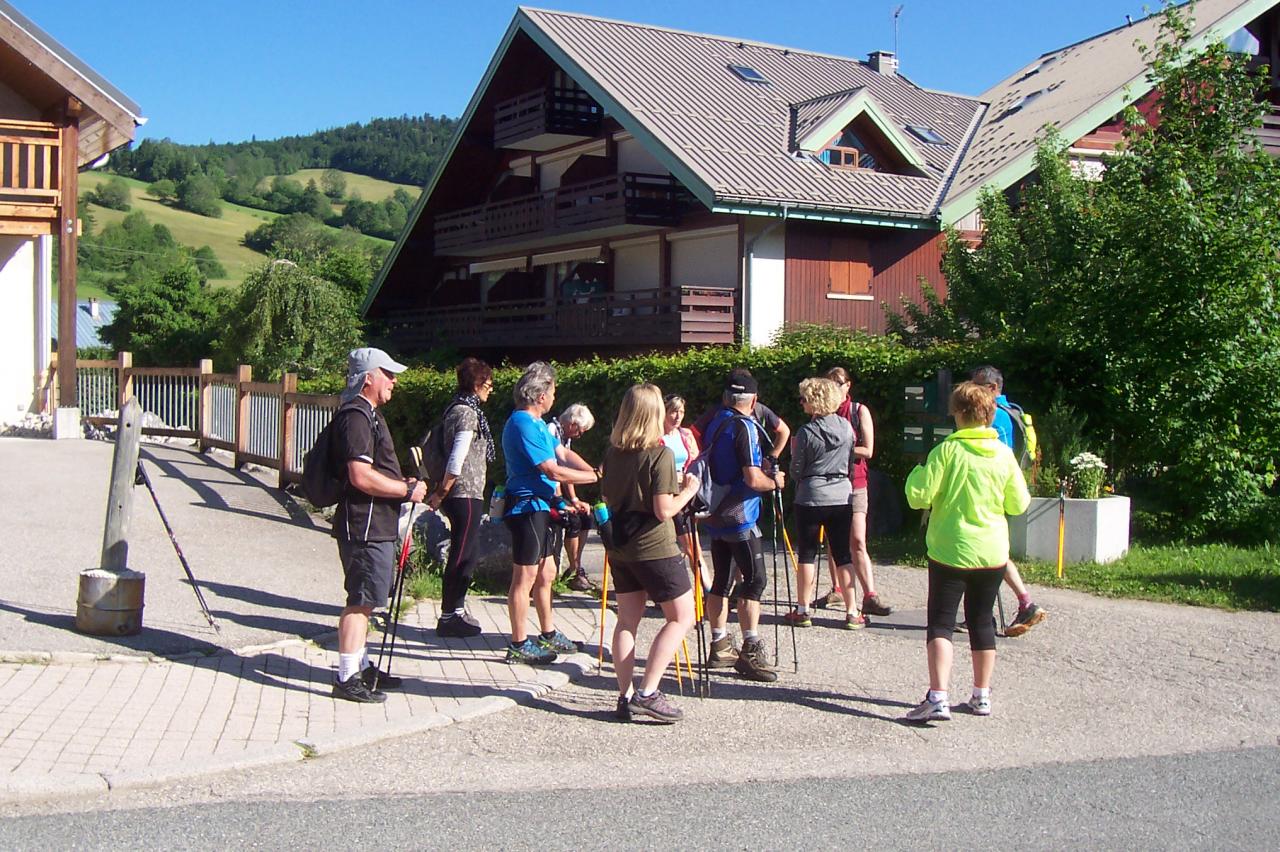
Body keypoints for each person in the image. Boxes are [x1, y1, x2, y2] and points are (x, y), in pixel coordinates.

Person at [903, 381, 1031, 721]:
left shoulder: (947, 450)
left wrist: (916, 473)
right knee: (981, 621)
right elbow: (1018, 504)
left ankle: (938, 696)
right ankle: (981, 695)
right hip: (991, 552)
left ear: (958, 413)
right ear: (989, 414)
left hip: (950, 548)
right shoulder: (1003, 454)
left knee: (941, 623)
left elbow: (919, 496)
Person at [330, 347, 425, 703]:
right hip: (364, 525)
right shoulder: (356, 416)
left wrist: (405, 486)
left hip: (375, 523)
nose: (394, 381)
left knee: (369, 599)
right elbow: (360, 476)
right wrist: (406, 490)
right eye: (388, 373)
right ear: (368, 377)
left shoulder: (369, 414)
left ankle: (361, 664)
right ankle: (347, 677)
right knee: (360, 600)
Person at [600, 384, 701, 723]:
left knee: (627, 619)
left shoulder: (612, 454)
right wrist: (688, 491)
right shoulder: (660, 456)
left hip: (621, 546)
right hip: (655, 546)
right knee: (682, 616)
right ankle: (649, 691)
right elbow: (663, 509)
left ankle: (625, 694)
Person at [501, 362, 600, 665]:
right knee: (525, 575)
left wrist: (594, 470)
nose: (555, 397)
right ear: (541, 394)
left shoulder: (541, 426)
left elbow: (563, 454)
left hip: (543, 506)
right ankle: (518, 643)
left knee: (547, 573)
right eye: (553, 391)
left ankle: (548, 632)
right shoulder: (522, 423)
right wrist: (592, 478)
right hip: (526, 505)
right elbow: (550, 469)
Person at [701, 369, 786, 682]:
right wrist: (774, 482)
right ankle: (750, 650)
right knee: (755, 580)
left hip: (714, 511)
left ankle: (719, 643)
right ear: (754, 400)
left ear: (727, 396)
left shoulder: (715, 421)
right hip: (740, 513)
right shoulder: (745, 427)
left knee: (722, 579)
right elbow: (752, 478)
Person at [970, 365, 1048, 637]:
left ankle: (992, 613)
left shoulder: (995, 416)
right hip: (1002, 491)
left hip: (990, 493)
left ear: (993, 388)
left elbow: (989, 457)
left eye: (978, 385)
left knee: (988, 556)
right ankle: (1018, 605)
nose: (973, 389)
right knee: (992, 554)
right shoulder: (1009, 410)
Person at [784, 377, 863, 630]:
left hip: (811, 494)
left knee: (807, 553)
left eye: (805, 398)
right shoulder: (847, 429)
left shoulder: (807, 432)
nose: (802, 402)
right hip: (841, 494)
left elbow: (796, 468)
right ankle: (852, 612)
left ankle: (803, 609)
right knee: (842, 553)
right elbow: (850, 463)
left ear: (815, 401)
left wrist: (800, 477)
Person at [425, 357, 494, 639]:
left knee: (467, 551)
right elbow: (458, 455)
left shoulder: (456, 408)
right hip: (463, 491)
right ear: (476, 384)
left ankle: (456, 609)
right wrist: (442, 491)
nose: (490, 389)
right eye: (488, 384)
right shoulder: (466, 413)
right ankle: (449, 615)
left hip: (467, 492)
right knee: (462, 552)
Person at [817, 367, 892, 620]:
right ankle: (837, 588)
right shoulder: (821, 412)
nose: (835, 387)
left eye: (839, 382)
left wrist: (839, 447)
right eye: (830, 383)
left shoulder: (859, 411)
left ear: (848, 385)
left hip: (855, 482)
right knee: (832, 539)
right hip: (829, 483)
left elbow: (868, 450)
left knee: (857, 539)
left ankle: (870, 595)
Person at [691, 368, 791, 464]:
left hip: (748, 467)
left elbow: (784, 431)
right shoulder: (717, 411)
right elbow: (693, 432)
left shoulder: (759, 409)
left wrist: (771, 458)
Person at [548, 403, 596, 592]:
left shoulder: (564, 436)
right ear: (572, 423)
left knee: (586, 516)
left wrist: (575, 499)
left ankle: (576, 564)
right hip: (548, 492)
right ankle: (575, 569)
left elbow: (567, 471)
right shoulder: (551, 431)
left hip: (557, 489)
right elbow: (554, 471)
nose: (580, 435)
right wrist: (561, 502)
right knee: (572, 520)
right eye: (580, 430)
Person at [661, 393, 702, 582]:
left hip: (685, 493)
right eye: (673, 412)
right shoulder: (655, 436)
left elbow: (696, 462)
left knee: (693, 545)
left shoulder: (685, 434)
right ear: (664, 412)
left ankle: (705, 589)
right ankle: (703, 587)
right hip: (666, 493)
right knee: (685, 544)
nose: (678, 417)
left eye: (682, 412)